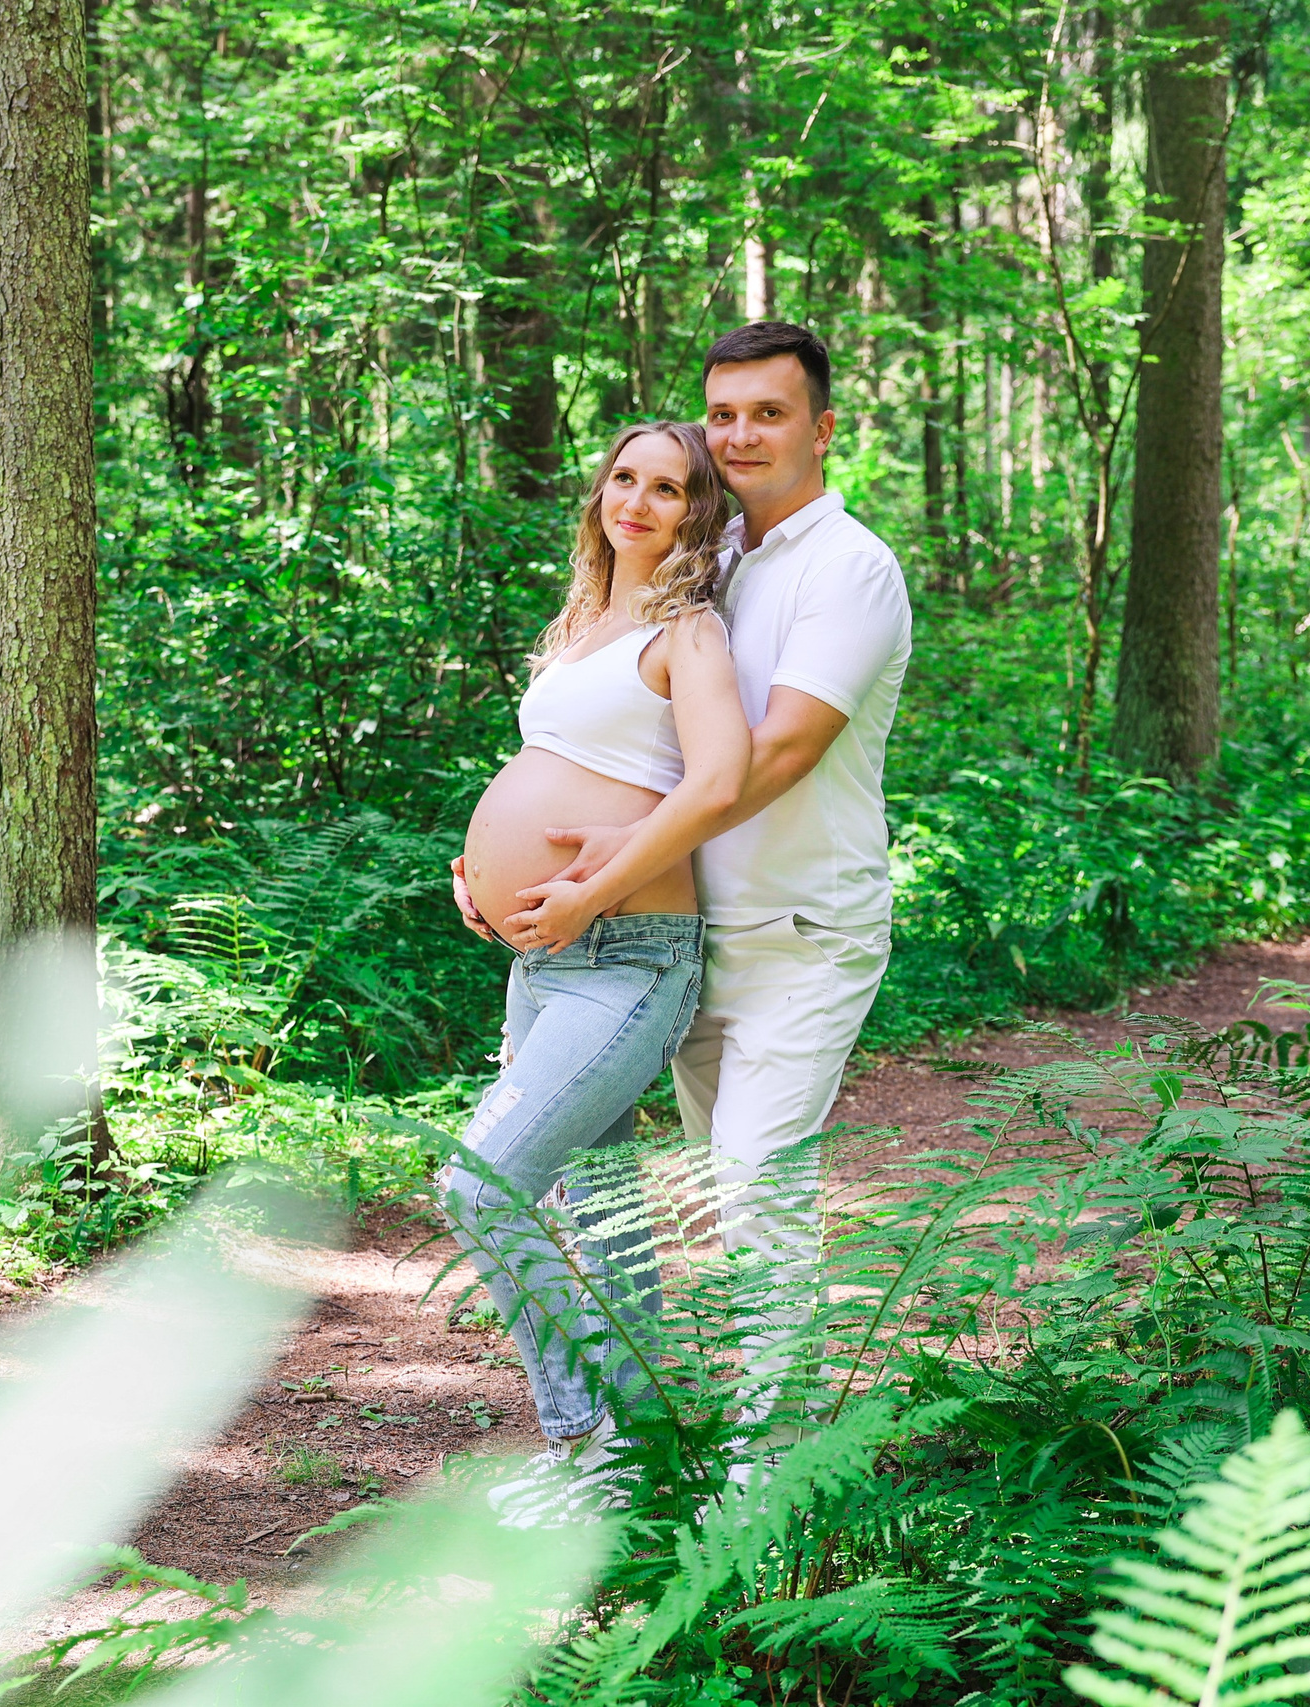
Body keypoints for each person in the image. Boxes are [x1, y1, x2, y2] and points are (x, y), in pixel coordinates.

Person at [476, 322, 914, 1454]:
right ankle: (657, 1442)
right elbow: (621, 744)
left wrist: (589, 880)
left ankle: (763, 1471)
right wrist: (500, 868)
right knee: (633, 1201)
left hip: (801, 931)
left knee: (751, 1190)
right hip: (690, 932)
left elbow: (763, 763)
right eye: (724, 414)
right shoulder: (714, 565)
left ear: (820, 428)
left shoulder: (848, 568)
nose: (741, 434)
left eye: (769, 413)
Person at [440, 420, 751, 1519]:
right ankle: (647, 1458)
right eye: (625, 478)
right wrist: (477, 871)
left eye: (668, 489)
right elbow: (554, 765)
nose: (639, 500)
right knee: (607, 1215)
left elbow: (715, 784)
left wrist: (585, 888)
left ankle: (583, 1438)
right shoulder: (581, 623)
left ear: (696, 516)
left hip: (626, 959)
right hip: (540, 965)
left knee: (477, 1181)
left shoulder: (688, 632)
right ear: (600, 494)